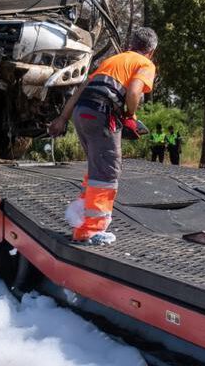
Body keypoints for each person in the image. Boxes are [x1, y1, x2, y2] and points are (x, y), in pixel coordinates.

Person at [49, 27, 158, 246]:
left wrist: (61, 119)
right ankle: (90, 231)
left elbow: (81, 89)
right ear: (151, 52)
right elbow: (134, 92)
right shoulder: (145, 63)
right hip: (102, 113)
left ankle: (82, 221)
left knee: (97, 170)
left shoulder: (112, 60)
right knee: (107, 172)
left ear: (131, 45)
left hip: (82, 113)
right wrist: (130, 115)